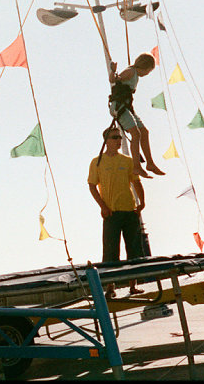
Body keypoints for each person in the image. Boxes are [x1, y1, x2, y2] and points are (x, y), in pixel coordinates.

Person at [88, 126, 147, 299]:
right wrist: (102, 206)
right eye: (115, 137)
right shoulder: (97, 161)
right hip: (111, 213)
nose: (118, 140)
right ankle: (110, 287)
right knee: (110, 251)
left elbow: (136, 181)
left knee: (134, 250)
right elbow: (92, 186)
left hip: (129, 210)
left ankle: (133, 286)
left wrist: (142, 202)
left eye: (120, 137)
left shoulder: (128, 160)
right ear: (106, 140)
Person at [108, 53, 164, 178]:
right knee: (136, 133)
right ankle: (136, 166)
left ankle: (150, 163)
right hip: (118, 107)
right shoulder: (130, 72)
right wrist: (113, 71)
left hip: (126, 107)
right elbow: (113, 80)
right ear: (145, 67)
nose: (147, 74)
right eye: (149, 71)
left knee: (144, 132)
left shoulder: (134, 74)